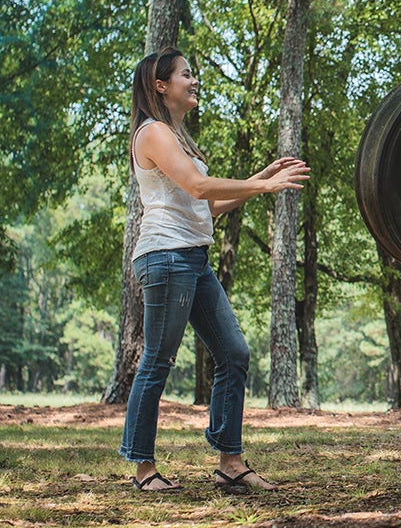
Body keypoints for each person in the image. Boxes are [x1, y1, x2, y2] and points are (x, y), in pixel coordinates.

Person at [120, 48, 310, 491]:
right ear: (161, 85)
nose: (194, 80)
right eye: (186, 74)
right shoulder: (152, 133)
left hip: (192, 255)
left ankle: (230, 461)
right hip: (166, 256)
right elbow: (198, 185)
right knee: (158, 359)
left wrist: (261, 179)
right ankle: (144, 469)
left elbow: (208, 206)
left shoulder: (177, 136)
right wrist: (264, 182)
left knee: (233, 352)